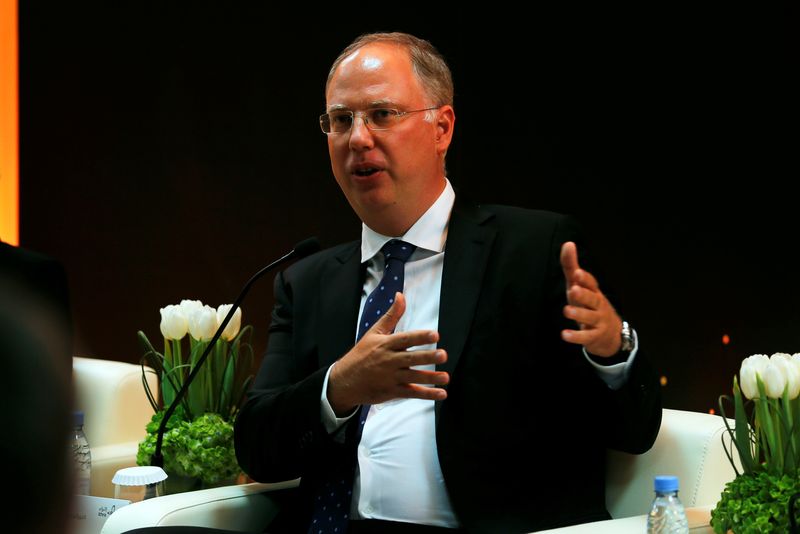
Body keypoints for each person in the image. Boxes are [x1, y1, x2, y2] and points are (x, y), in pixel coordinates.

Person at [234, 32, 661, 533]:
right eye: (340, 120)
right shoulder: (306, 281)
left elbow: (633, 431)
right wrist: (339, 388)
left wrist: (612, 350)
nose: (358, 138)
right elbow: (256, 448)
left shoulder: (533, 251)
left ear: (442, 127)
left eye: (382, 114)